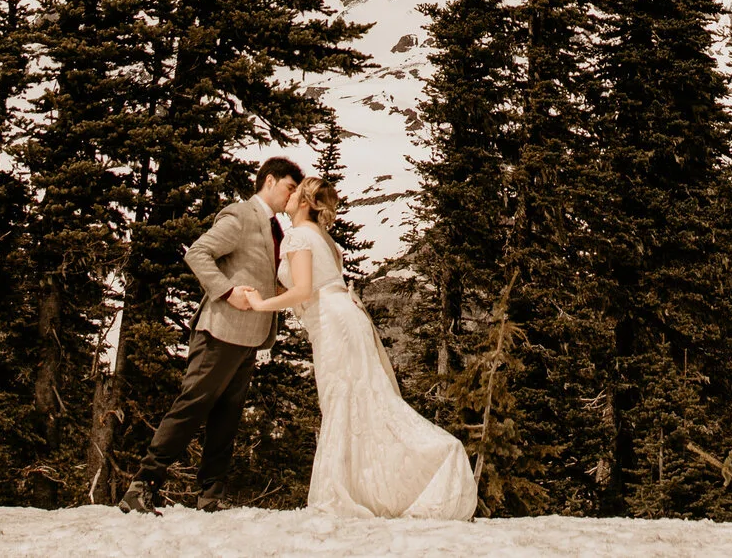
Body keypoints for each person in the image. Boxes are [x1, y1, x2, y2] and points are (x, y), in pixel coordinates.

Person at [249, 177, 477, 519]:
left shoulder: (299, 235)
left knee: (343, 398)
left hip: (333, 322)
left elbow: (303, 290)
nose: (289, 194)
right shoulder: (325, 240)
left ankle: (406, 468)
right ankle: (370, 486)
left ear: (306, 202)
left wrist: (260, 304)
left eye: (295, 191)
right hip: (345, 318)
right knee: (362, 398)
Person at [119, 156, 304, 512]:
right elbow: (198, 253)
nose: (291, 196)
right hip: (220, 330)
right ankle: (141, 486)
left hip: (249, 337)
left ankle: (210, 496)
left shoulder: (277, 226)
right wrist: (227, 291)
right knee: (191, 406)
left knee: (227, 417)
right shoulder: (240, 215)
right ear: (269, 181)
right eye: (289, 187)